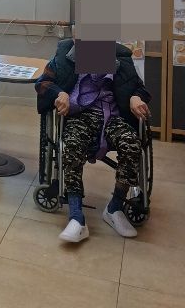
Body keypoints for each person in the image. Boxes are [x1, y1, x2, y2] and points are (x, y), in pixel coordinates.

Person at [35, 39, 151, 243]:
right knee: (72, 144)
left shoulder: (121, 57)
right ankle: (76, 216)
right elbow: (43, 83)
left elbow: (139, 87)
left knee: (132, 144)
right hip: (80, 115)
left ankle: (114, 208)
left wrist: (136, 97)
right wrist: (60, 93)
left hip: (113, 116)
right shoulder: (64, 56)